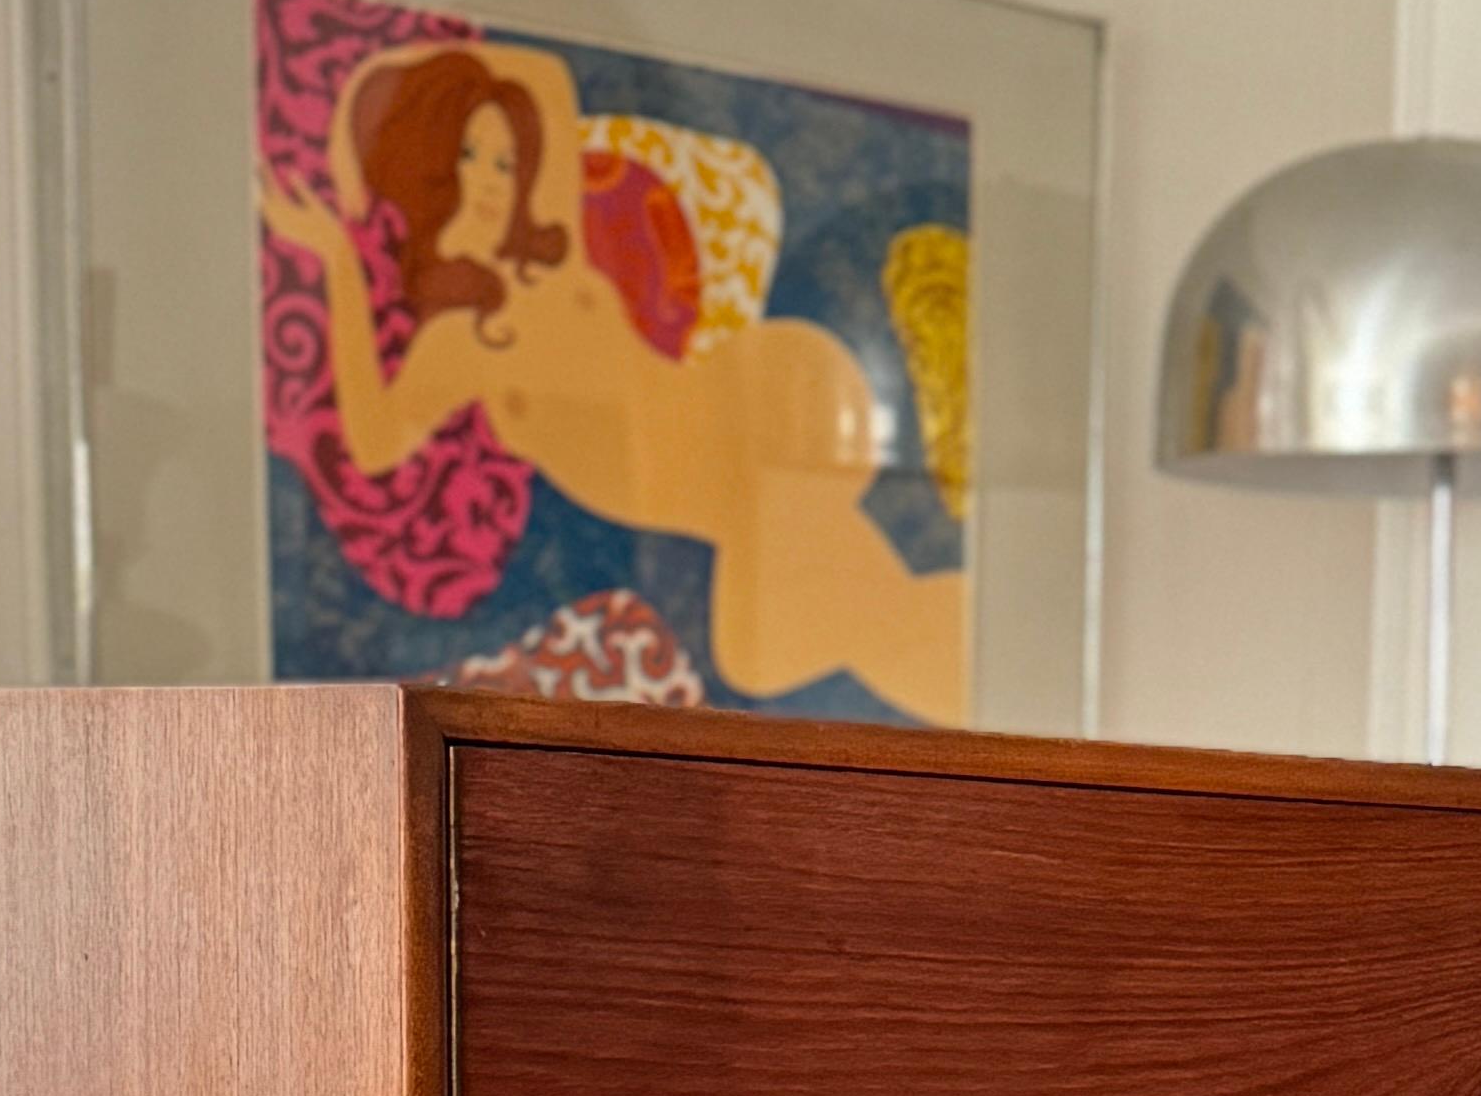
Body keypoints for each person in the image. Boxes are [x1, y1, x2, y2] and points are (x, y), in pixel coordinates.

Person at [261, 40, 968, 718]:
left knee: (866, 622)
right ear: (421, 168)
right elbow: (377, 439)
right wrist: (339, 262)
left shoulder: (553, 252)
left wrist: (385, 80)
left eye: (506, 160)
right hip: (732, 487)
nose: (488, 181)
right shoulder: (458, 342)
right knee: (871, 624)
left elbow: (544, 77)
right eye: (466, 154)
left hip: (760, 409)